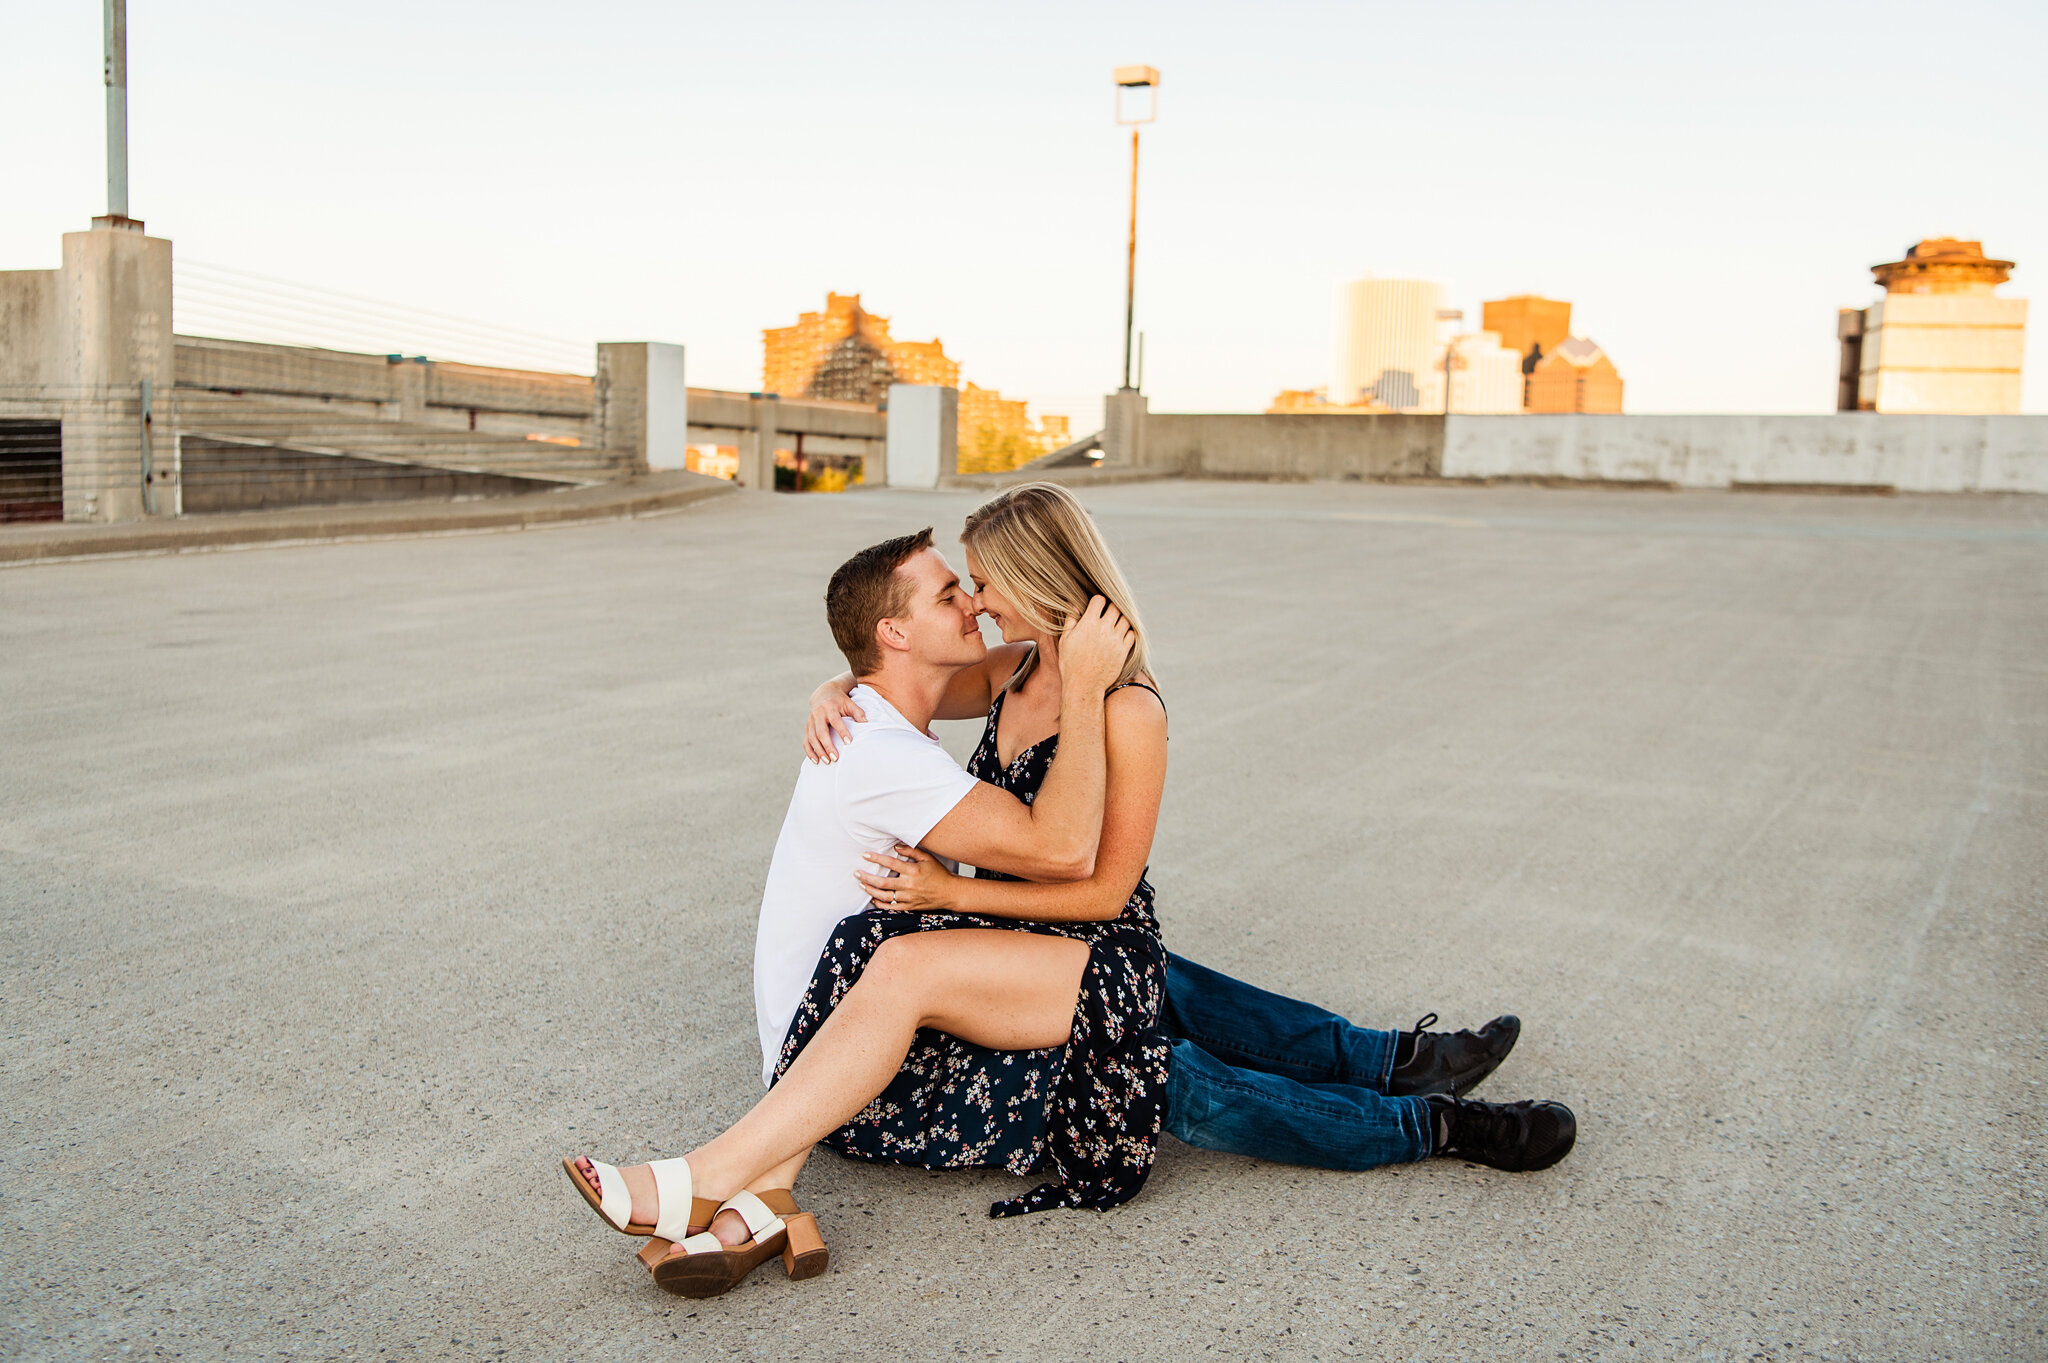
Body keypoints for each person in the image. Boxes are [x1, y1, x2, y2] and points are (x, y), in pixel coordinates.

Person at [566, 486, 1575, 1299]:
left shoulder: (1124, 705)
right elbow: (897, 681)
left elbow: (1096, 887)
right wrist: (836, 686)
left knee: (1174, 1049)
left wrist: (1073, 707)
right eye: (962, 590)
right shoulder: (1007, 670)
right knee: (1172, 1050)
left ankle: (1419, 1096)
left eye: (988, 585)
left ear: (1044, 584)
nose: (977, 603)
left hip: (1085, 923)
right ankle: (1414, 1085)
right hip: (1023, 937)